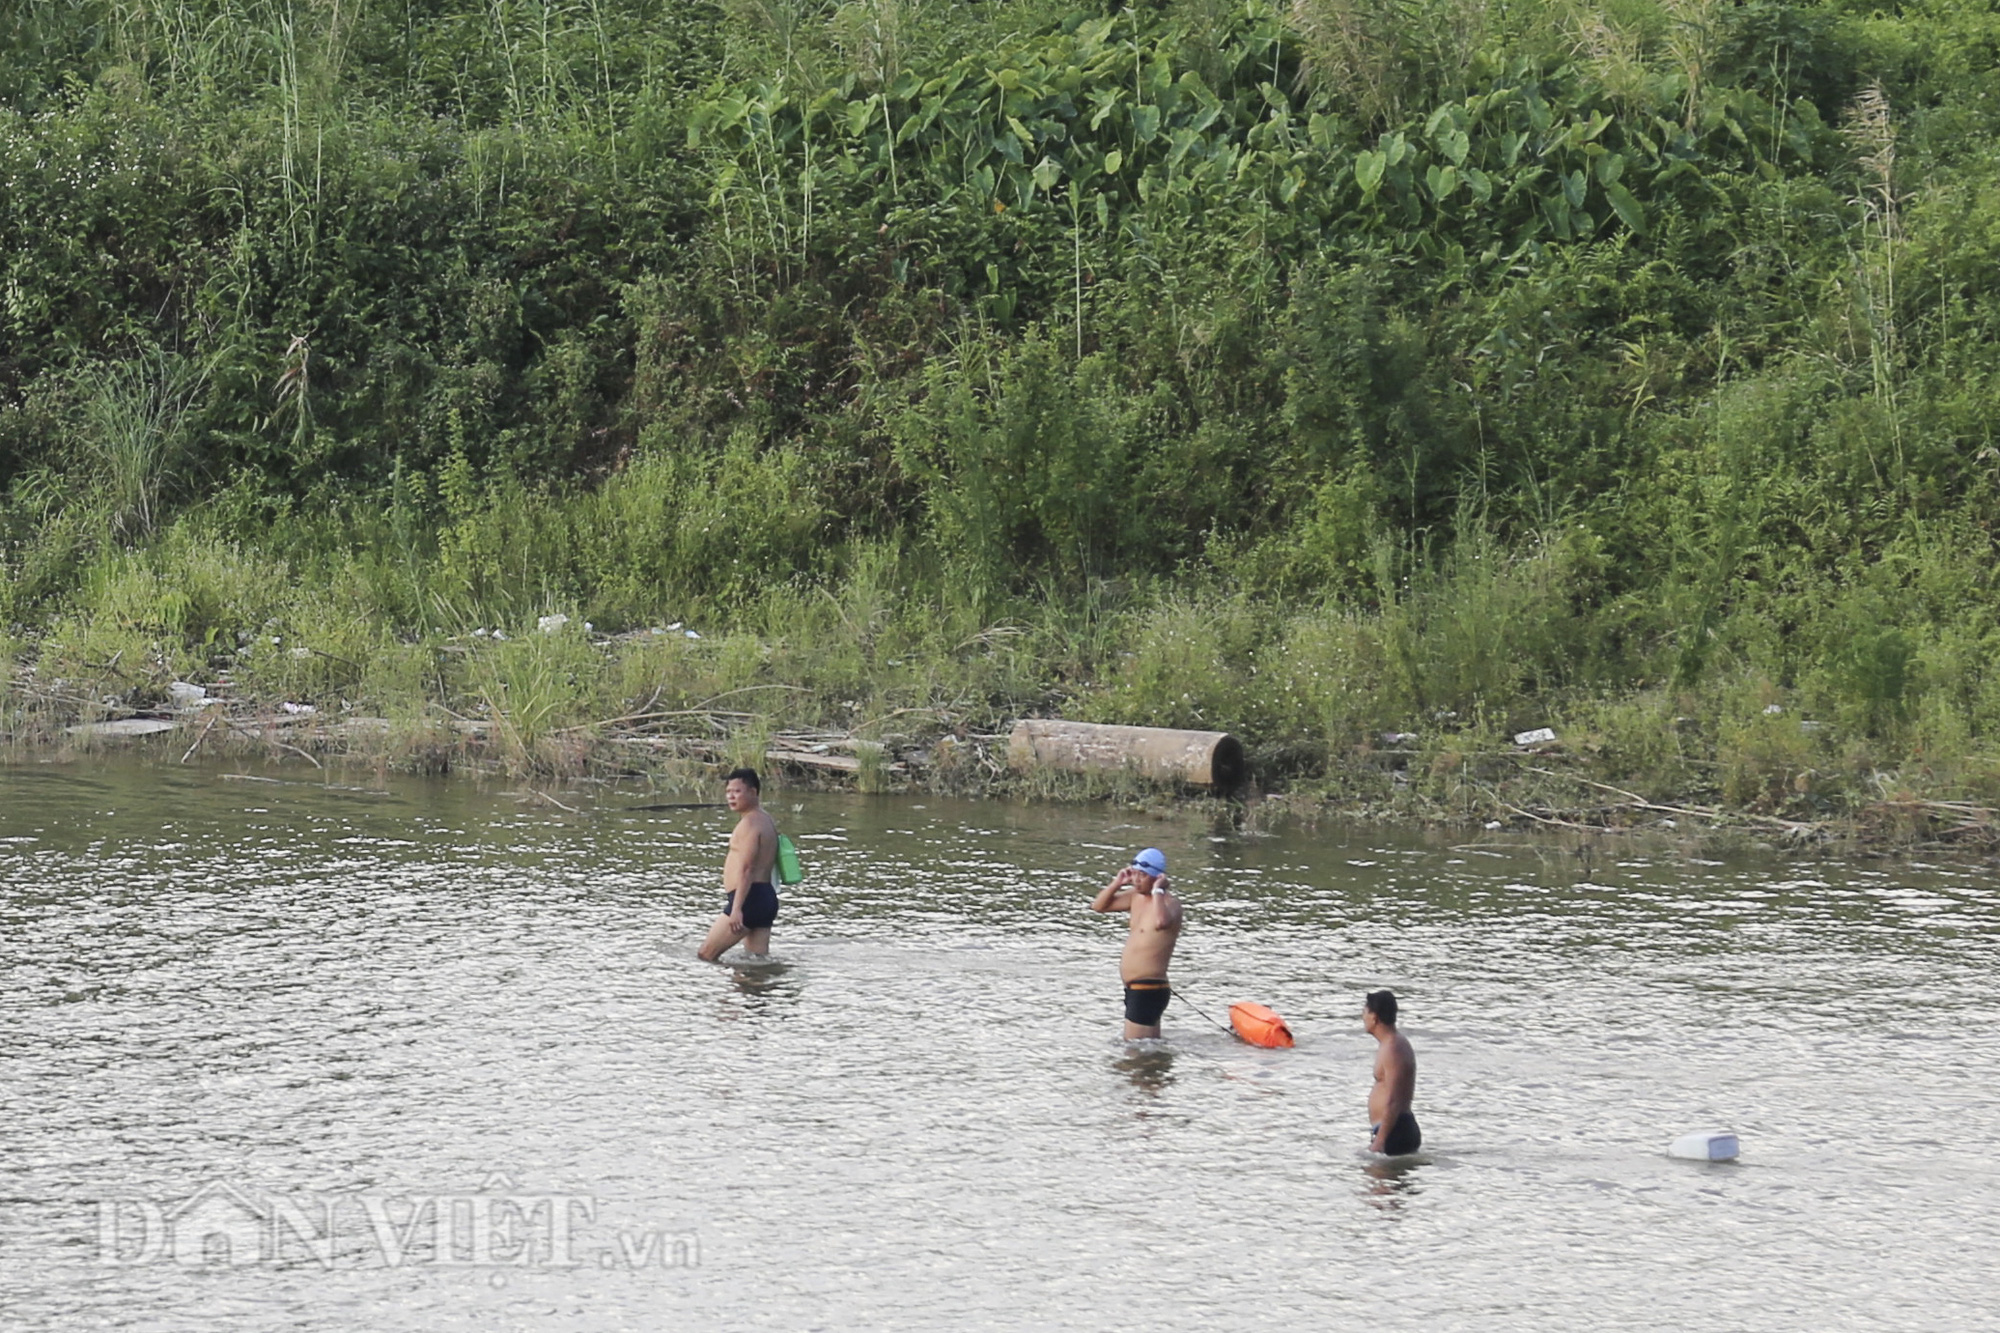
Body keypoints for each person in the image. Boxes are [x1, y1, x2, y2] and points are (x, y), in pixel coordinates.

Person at [1089, 847, 1183, 1039]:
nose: (1136, 880)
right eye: (1134, 874)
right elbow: (1098, 906)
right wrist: (1117, 883)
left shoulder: (1170, 903)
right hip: (1135, 989)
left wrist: (1157, 891)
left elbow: (1161, 922)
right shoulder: (1135, 897)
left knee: (1133, 1055)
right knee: (1146, 1052)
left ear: (1157, 877)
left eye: (1143, 875)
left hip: (1148, 988)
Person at [697, 768, 779, 962]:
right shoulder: (766, 820)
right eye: (728, 792)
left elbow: (747, 869)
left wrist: (736, 909)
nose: (731, 797)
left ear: (753, 792)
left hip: (749, 900)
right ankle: (755, 989)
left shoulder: (749, 824)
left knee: (706, 955)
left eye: (737, 791)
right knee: (755, 964)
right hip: (765, 898)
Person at [1363, 989, 1421, 1155]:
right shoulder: (1390, 1044)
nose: (1363, 1017)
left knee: (1381, 1180)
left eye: (1365, 1012)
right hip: (1393, 1129)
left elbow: (1394, 1100)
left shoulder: (1393, 1048)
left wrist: (1380, 1140)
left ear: (1374, 1017)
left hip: (1395, 1131)